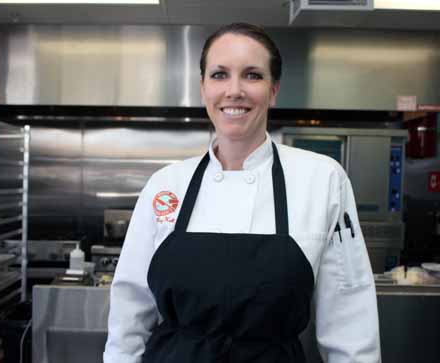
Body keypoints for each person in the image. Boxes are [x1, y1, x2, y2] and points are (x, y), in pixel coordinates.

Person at [103, 23, 381, 363]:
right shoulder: (165, 185)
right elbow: (130, 313)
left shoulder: (322, 180)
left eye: (252, 75)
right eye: (219, 75)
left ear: (274, 89)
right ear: (203, 88)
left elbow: (349, 316)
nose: (234, 90)